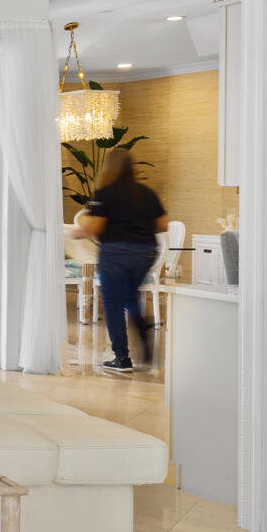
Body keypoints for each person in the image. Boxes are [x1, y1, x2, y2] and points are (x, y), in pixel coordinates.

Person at [74, 146, 170, 376]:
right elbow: (163, 225)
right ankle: (143, 329)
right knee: (130, 295)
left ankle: (122, 357)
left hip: (115, 253)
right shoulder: (146, 193)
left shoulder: (105, 193)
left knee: (114, 303)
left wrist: (77, 233)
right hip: (145, 253)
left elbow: (96, 227)